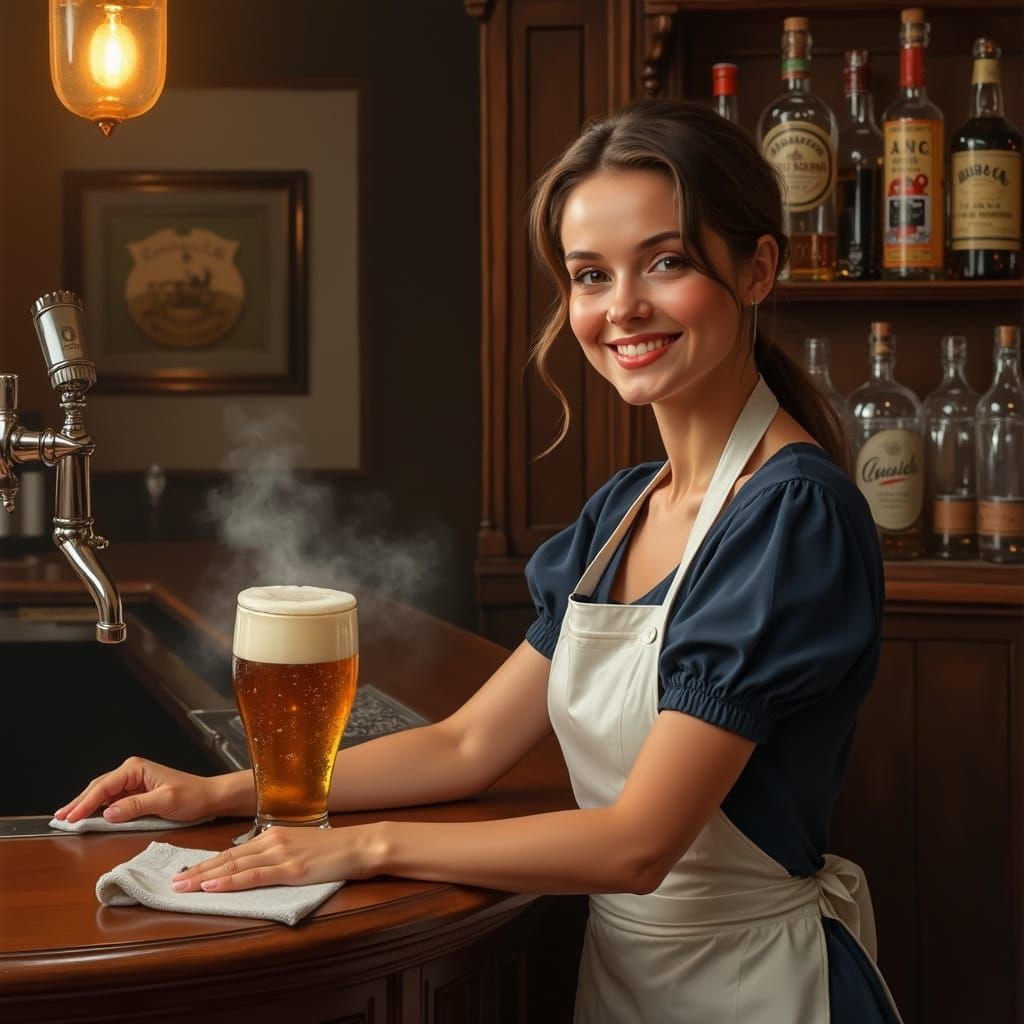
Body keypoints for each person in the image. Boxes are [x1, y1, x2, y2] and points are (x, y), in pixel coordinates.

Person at [56, 101, 902, 1023]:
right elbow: (469, 745)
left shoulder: (792, 516)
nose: (621, 307)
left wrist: (361, 848)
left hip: (759, 991)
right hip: (626, 985)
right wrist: (221, 793)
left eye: (665, 261)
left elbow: (637, 846)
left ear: (758, 268)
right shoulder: (623, 511)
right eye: (589, 275)